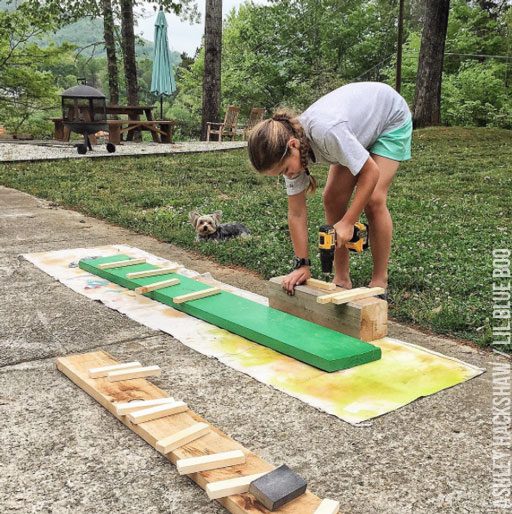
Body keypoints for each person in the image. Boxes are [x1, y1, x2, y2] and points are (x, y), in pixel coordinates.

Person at [247, 81, 412, 296]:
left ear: (293, 145)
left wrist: (348, 222)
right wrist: (302, 264)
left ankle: (379, 281)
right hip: (355, 130)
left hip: (389, 118)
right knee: (332, 198)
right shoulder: (293, 152)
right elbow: (296, 212)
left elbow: (371, 173)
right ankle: (341, 279)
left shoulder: (327, 132)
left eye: (285, 170)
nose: (287, 175)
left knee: (374, 199)